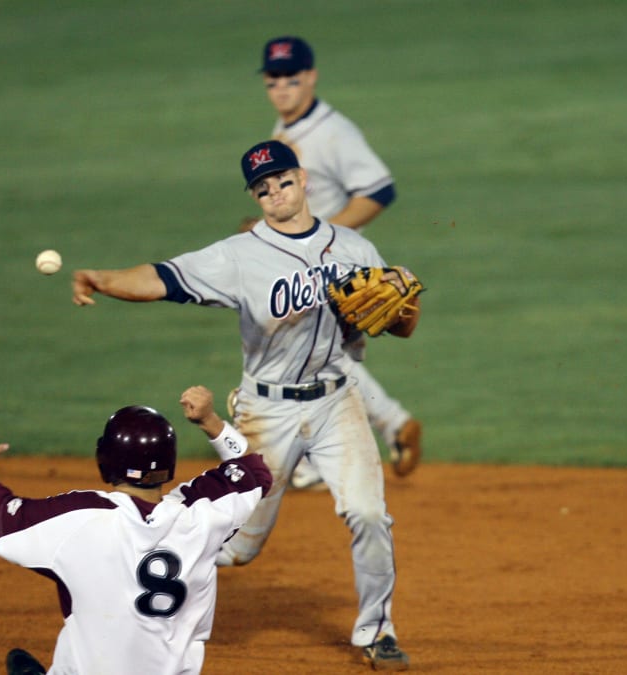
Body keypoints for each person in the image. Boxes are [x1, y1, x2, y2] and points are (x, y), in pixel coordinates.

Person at [71, 139, 418, 670]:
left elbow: (403, 327)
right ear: (256, 197)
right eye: (263, 188)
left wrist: (404, 307)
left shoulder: (353, 247)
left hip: (336, 402)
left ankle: (378, 632)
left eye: (282, 181)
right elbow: (163, 278)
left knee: (370, 513)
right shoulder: (238, 256)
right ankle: (129, 579)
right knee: (235, 546)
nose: (275, 193)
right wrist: (104, 279)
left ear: (303, 180)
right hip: (267, 411)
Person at [0, 387, 271, 675]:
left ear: (106, 461)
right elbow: (255, 473)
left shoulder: (82, 517)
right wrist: (209, 421)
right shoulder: (202, 517)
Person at [241, 35, 422, 492]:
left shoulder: (333, 131)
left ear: (311, 77)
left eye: (291, 78)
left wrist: (326, 237)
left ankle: (314, 457)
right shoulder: (285, 131)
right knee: (322, 358)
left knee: (300, 354)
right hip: (307, 265)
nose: (282, 88)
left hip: (334, 270)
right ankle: (392, 424)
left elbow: (379, 190)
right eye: (274, 79)